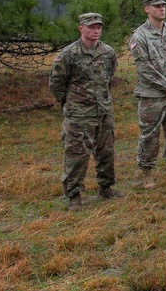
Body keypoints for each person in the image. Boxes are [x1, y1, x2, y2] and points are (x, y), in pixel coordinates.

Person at [49, 13, 122, 211]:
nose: (96, 31)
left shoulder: (108, 52)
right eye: (91, 27)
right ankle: (74, 195)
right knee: (77, 154)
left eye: (99, 27)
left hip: (104, 111)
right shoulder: (68, 55)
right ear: (81, 28)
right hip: (79, 114)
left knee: (106, 151)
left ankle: (106, 187)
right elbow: (57, 84)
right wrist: (70, 104)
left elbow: (109, 77)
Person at [130, 0, 166, 188]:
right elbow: (143, 67)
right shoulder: (139, 36)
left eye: (163, 5)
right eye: (157, 6)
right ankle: (145, 171)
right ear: (147, 9)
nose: (162, 9)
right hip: (151, 95)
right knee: (149, 134)